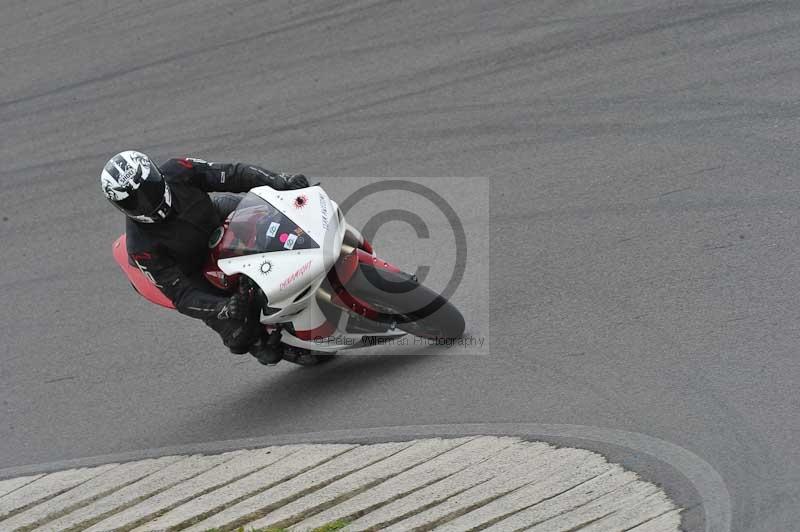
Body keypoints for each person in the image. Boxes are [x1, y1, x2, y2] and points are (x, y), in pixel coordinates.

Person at [100, 150, 309, 365]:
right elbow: (181, 295)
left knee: (280, 211)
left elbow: (231, 173)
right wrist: (223, 308)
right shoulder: (141, 246)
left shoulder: (178, 169)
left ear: (156, 174)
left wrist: (278, 180)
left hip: (216, 217)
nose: (148, 200)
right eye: (136, 201)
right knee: (242, 335)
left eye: (150, 187)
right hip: (195, 269)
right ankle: (261, 341)